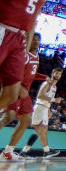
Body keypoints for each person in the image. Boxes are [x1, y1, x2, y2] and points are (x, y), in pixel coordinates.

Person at [0, 0, 48, 110]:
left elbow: (33, 20)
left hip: (20, 40)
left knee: (12, 93)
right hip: (3, 29)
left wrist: (26, 48)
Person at [1, 33, 47, 161]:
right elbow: (7, 69)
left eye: (38, 40)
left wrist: (44, 77)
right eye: (33, 40)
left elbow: (32, 73)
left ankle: (8, 152)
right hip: (15, 89)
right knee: (8, 117)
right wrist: (18, 87)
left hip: (24, 93)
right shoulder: (24, 55)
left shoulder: (36, 56)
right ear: (28, 41)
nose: (36, 42)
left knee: (26, 121)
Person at [19, 67, 63, 158]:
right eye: (57, 73)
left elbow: (48, 100)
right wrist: (55, 99)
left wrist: (49, 110)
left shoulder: (54, 87)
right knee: (40, 130)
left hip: (44, 108)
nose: (58, 75)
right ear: (53, 73)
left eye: (60, 74)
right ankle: (24, 152)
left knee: (43, 131)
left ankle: (46, 151)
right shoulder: (47, 83)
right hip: (40, 107)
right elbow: (40, 96)